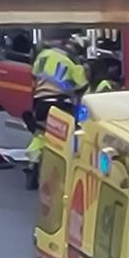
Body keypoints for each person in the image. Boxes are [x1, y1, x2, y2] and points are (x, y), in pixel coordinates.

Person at [25, 35, 90, 189]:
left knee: (40, 133)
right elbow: (82, 86)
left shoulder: (41, 57)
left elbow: (34, 77)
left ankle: (33, 162)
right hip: (62, 104)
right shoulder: (72, 64)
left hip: (40, 103)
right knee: (67, 136)